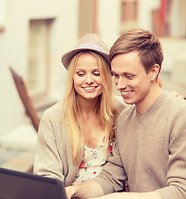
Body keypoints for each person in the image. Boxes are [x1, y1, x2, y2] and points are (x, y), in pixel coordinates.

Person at [66, 29, 186, 199]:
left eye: (129, 76)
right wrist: (74, 191)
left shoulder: (179, 116)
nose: (120, 85)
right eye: (115, 75)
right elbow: (113, 176)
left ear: (153, 72)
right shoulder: (124, 119)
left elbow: (182, 195)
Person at [34, 33, 125, 186]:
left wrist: (172, 100)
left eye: (96, 73)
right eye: (81, 74)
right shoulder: (52, 118)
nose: (89, 80)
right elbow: (47, 174)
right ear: (72, 77)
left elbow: (148, 107)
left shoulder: (121, 111)